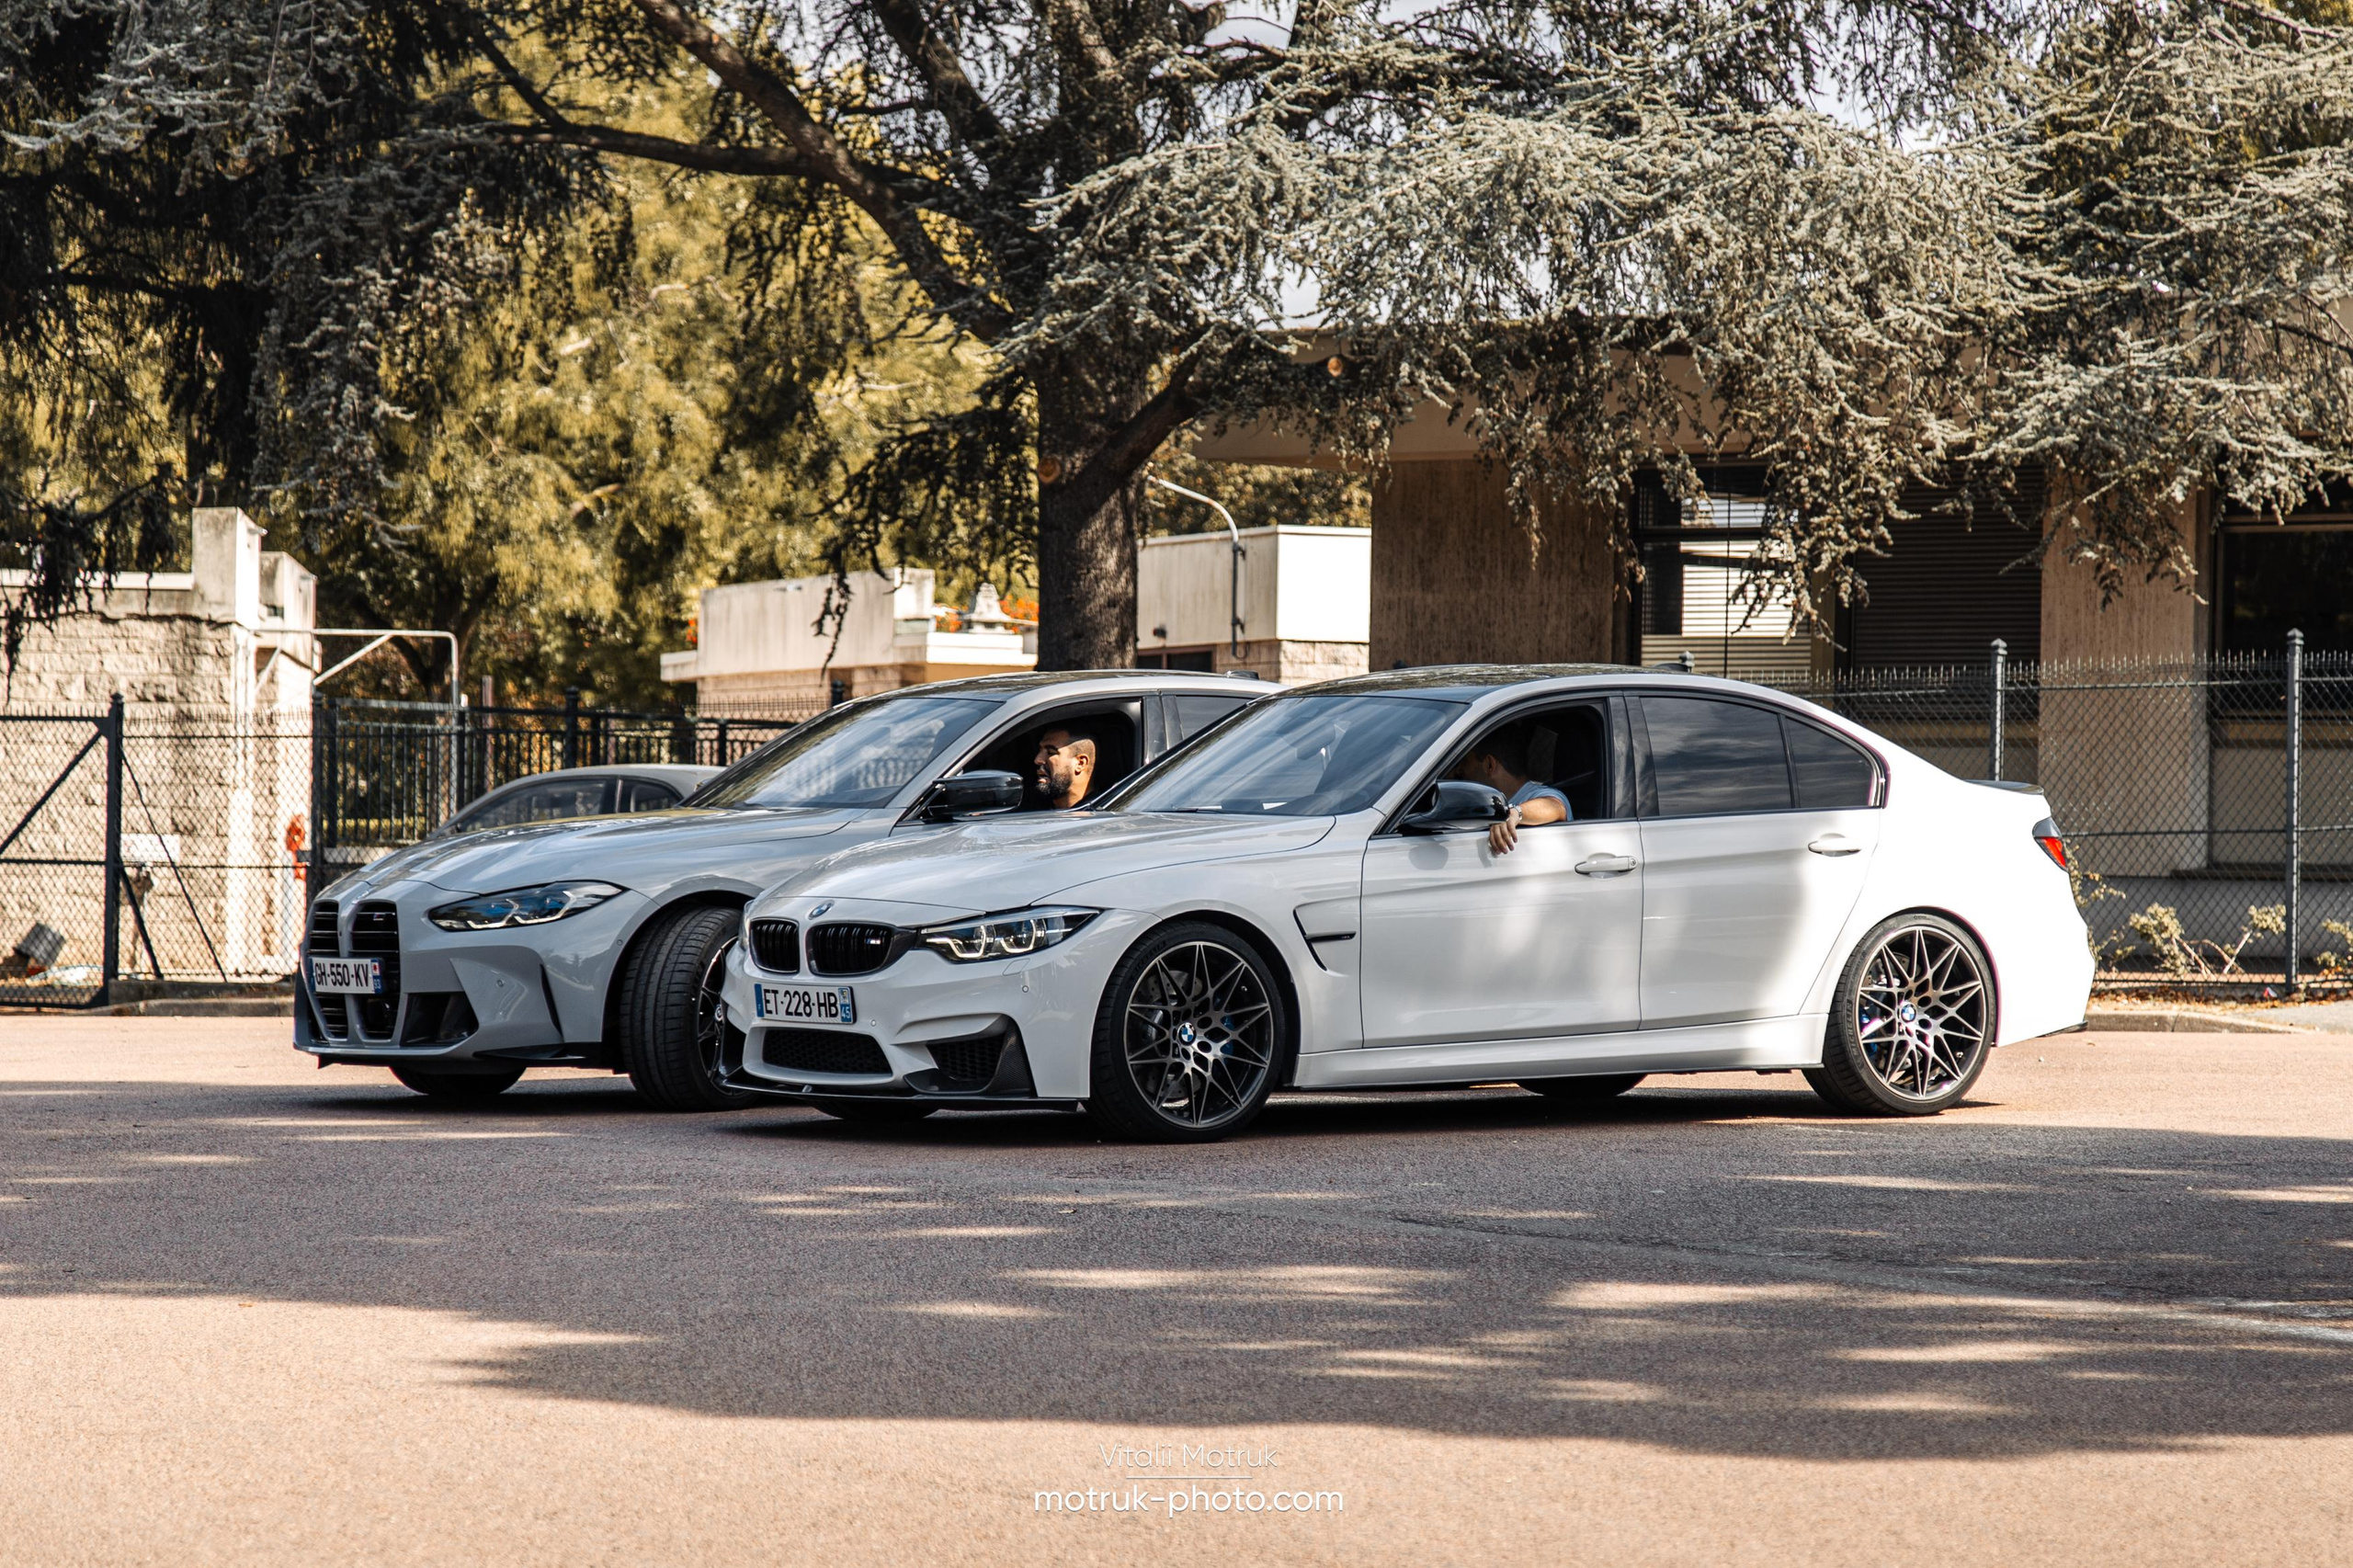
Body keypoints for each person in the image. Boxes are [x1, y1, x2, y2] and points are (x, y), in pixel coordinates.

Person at [1451, 725, 1569, 855]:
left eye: (1466, 761)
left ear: (1490, 765)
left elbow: (1556, 807)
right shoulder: (1481, 803)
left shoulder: (1539, 795)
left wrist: (1513, 814)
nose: (1459, 769)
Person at [1030, 723, 1098, 810]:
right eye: (1040, 750)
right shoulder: (1034, 811)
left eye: (1051, 752)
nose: (1038, 760)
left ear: (1080, 763)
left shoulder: (1103, 817)